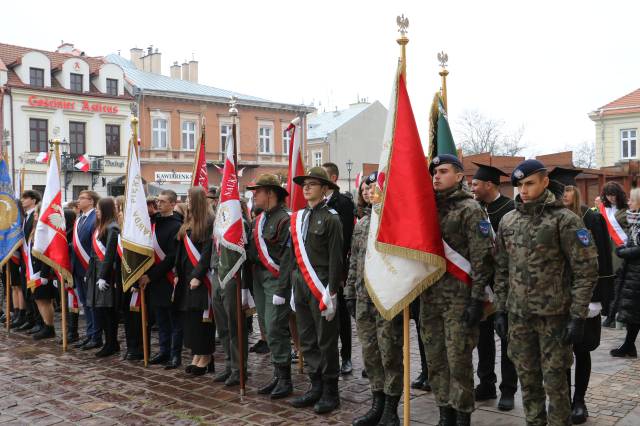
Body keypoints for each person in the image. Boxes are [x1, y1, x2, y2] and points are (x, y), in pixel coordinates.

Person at [494, 159, 598, 426]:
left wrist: (577, 316)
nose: (523, 190)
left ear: (545, 182)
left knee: (556, 385)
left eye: (529, 183)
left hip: (554, 319)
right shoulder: (508, 221)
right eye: (519, 185)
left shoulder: (565, 220)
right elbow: (502, 269)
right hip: (519, 319)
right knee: (528, 383)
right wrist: (501, 310)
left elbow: (586, 270)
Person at [422, 154, 493, 426]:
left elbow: (481, 259)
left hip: (460, 301)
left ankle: (462, 416)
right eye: (434, 172)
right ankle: (444, 414)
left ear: (461, 175)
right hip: (430, 298)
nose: (436, 176)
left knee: (458, 363)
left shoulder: (470, 209)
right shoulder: (426, 208)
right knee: (436, 361)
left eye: (443, 171)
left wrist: (477, 301)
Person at [548, 167, 613, 424]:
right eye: (559, 190)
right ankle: (563, 399)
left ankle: (579, 400)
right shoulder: (552, 217)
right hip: (556, 297)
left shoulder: (591, 217)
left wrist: (598, 298)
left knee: (582, 349)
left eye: (567, 189)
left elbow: (604, 260)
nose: (563, 194)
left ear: (575, 190)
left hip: (586, 296)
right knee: (560, 350)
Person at [346, 172, 404, 425]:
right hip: (362, 297)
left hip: (386, 298)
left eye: (374, 188)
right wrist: (349, 292)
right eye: (365, 189)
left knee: (389, 353)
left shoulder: (394, 222)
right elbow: (354, 261)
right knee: (370, 353)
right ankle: (376, 403)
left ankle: (391, 408)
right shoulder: (361, 224)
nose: (368, 192)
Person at [289, 167, 343, 414]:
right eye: (305, 184)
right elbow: (294, 256)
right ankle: (315, 385)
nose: (307, 188)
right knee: (307, 338)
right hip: (301, 283)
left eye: (313, 184)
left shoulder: (331, 218)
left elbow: (336, 259)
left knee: (326, 340)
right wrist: (291, 286)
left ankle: (331, 391)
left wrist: (331, 292)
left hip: (321, 284)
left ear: (325, 189)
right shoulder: (299, 217)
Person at [469, 163, 518, 411]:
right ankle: (486, 382)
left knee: (507, 337)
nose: (472, 187)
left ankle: (508, 389)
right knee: (484, 338)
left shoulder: (511, 209)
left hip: (505, 285)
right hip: (481, 284)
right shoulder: (475, 209)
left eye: (476, 184)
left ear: (489, 185)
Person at [245, 174, 294, 398]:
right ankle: (277, 375)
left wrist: (283, 289)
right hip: (259, 277)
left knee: (275, 326)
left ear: (271, 193)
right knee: (266, 325)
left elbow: (287, 258)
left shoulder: (285, 219)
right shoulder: (258, 220)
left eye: (258, 191)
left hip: (276, 279)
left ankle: (285, 380)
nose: (254, 195)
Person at [139, 190, 183, 369]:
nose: (159, 204)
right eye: (158, 201)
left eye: (163, 201)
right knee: (161, 318)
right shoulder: (152, 223)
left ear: (173, 204)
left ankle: (175, 354)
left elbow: (172, 257)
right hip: (154, 280)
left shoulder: (177, 225)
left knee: (174, 320)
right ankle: (164, 351)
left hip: (169, 277)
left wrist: (151, 275)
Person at [174, 187, 215, 376]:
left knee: (201, 319)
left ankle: (205, 356)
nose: (187, 202)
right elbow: (181, 251)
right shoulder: (188, 221)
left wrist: (198, 275)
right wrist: (176, 272)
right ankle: (196, 354)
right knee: (190, 319)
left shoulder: (207, 222)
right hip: (185, 278)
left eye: (190, 199)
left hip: (200, 279)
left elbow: (207, 253)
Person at [322, 162, 355, 376]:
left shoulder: (342, 203)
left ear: (333, 178)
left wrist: (341, 271)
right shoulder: (316, 203)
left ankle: (346, 357)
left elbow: (344, 239)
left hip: (338, 267)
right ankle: (327, 355)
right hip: (318, 268)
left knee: (341, 313)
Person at [85, 197, 121, 357]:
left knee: (108, 311)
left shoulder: (112, 228)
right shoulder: (99, 227)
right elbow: (93, 255)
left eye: (99, 209)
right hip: (96, 273)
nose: (97, 212)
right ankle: (110, 342)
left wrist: (103, 276)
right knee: (102, 310)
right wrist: (90, 274)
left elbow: (109, 255)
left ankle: (111, 343)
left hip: (107, 275)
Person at [610, 187, 640, 359]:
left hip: (637, 274)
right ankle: (629, 346)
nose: (629, 202)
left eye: (632, 200)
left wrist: (623, 252)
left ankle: (629, 346)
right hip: (633, 273)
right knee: (633, 313)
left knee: (634, 312)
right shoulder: (635, 221)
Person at [115, 195, 144, 362]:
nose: (119, 213)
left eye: (121, 209)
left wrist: (135, 278)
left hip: (134, 279)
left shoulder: (135, 231)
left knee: (136, 318)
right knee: (126, 315)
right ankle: (131, 346)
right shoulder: (121, 230)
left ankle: (138, 348)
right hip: (122, 279)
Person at [72, 190, 101, 350]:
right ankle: (90, 334)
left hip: (89, 267)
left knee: (92, 303)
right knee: (85, 303)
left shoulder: (94, 218)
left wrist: (90, 268)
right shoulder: (79, 218)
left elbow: (95, 246)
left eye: (82, 198)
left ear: (91, 201)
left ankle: (96, 336)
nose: (79, 200)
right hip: (78, 267)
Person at [600, 182, 629, 328]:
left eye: (614, 195)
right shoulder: (603, 209)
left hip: (622, 249)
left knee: (619, 282)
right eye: (608, 195)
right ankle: (610, 313)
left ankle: (613, 316)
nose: (611, 198)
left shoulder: (626, 208)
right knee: (611, 282)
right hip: (607, 248)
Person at [25, 205, 56, 340]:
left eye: (38, 213)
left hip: (42, 272)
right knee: (38, 299)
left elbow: (47, 254)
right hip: (33, 270)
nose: (35, 215)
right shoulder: (35, 229)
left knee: (44, 300)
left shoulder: (43, 230)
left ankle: (49, 327)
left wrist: (44, 273)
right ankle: (45, 324)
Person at [11, 190, 40, 331]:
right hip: (25, 259)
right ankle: (30, 318)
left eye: (25, 198)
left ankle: (37, 321)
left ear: (34, 200)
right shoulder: (27, 217)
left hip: (33, 260)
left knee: (34, 293)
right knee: (26, 290)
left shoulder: (35, 217)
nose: (22, 200)